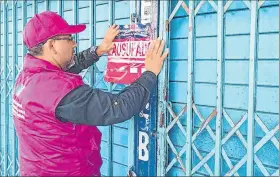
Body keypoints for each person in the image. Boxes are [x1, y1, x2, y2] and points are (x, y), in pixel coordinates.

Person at [12, 11, 168, 176]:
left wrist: (98, 51)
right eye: (69, 39)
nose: (74, 44)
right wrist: (150, 72)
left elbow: (65, 71)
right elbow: (120, 107)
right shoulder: (62, 92)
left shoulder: (27, 76)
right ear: (51, 45)